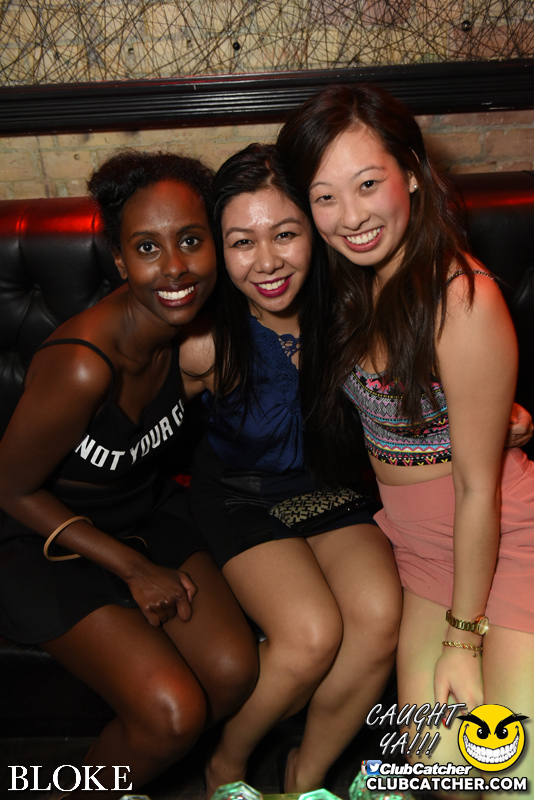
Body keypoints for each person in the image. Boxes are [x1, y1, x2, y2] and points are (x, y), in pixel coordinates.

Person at [276, 84, 534, 787]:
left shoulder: (461, 297)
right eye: (325, 197)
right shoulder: (348, 286)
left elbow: (478, 489)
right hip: (419, 552)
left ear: (412, 173)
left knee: (503, 775)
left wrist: (463, 639)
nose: (351, 216)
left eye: (368, 184)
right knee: (437, 768)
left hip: (500, 539)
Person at [0, 149, 258, 799]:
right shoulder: (83, 365)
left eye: (191, 240)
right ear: (119, 261)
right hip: (44, 537)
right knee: (173, 714)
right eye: (147, 247)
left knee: (233, 672)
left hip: (144, 513)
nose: (174, 267)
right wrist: (135, 569)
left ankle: (122, 765)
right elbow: (10, 488)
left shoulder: (190, 339)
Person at [179, 143, 403, 796]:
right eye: (241, 242)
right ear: (218, 249)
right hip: (241, 496)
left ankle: (304, 777)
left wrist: (496, 414)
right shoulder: (201, 342)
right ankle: (225, 767)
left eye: (284, 233)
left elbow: (428, 381)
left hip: (330, 492)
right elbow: (127, 426)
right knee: (310, 634)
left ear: (316, 228)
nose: (267, 261)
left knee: (379, 615)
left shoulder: (357, 310)